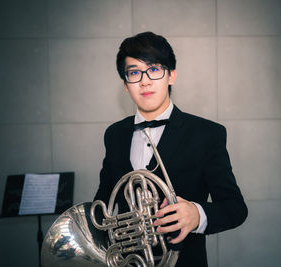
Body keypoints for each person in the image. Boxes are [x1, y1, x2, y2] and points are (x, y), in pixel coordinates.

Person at [94, 31, 247, 267]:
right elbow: (102, 205)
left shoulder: (207, 134)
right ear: (126, 85)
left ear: (171, 76)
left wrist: (197, 214)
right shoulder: (114, 135)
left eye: (154, 69)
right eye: (134, 72)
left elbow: (235, 208)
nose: (144, 81)